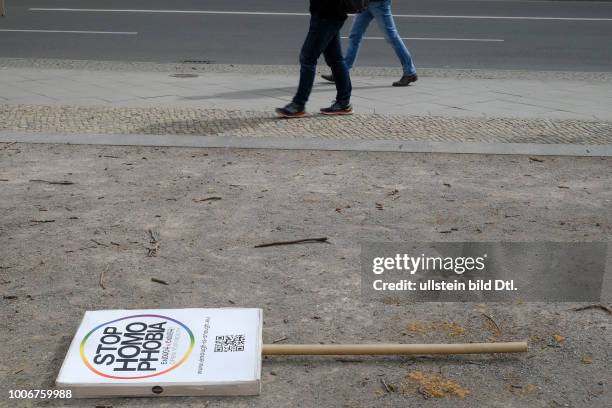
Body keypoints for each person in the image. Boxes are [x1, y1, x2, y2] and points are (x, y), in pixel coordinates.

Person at [276, 0, 353, 118]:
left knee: (308, 58)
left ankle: (298, 104)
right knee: (335, 59)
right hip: (330, 13)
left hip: (326, 14)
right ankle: (343, 103)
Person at [322, 0, 418, 87]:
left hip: (378, 3)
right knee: (355, 35)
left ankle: (410, 72)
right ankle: (342, 73)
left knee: (392, 37)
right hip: (365, 3)